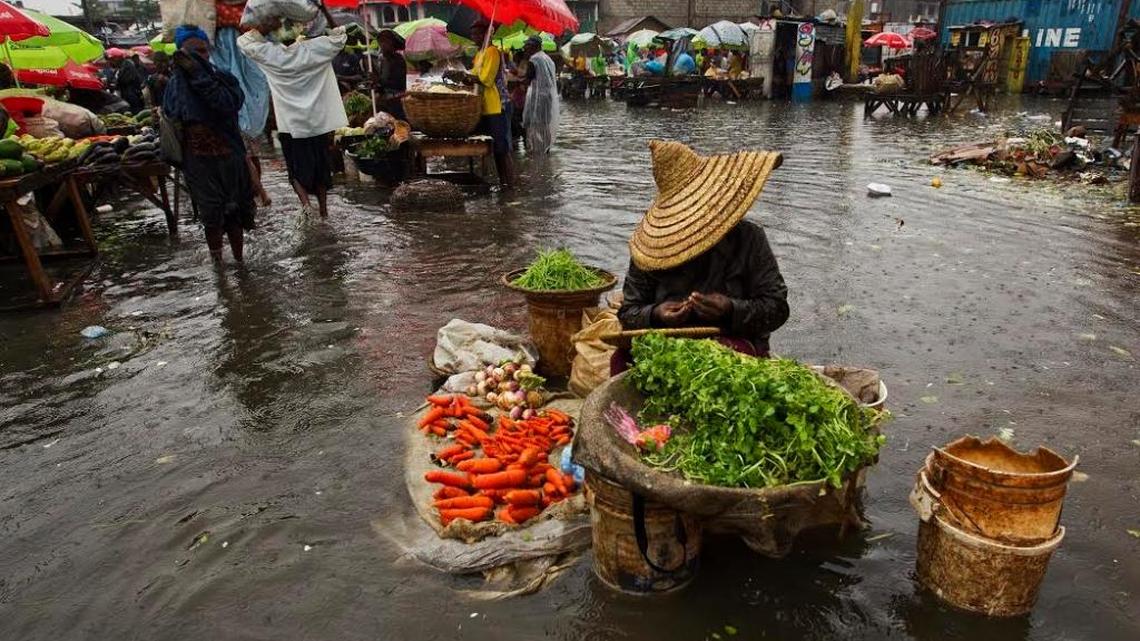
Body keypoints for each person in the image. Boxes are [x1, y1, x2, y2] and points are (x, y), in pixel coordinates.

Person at [614, 140, 789, 374]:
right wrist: (657, 315)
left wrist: (730, 309)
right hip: (665, 343)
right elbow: (628, 313)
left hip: (729, 340)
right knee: (620, 361)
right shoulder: (651, 248)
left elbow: (776, 308)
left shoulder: (749, 239)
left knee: (724, 367)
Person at [239, 17, 348, 218]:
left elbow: (244, 42)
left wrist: (264, 26)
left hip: (291, 125)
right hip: (317, 122)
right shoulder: (315, 49)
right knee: (320, 167)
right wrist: (323, 10)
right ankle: (323, 211)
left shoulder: (272, 55)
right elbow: (340, 36)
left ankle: (306, 205)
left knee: (295, 169)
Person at [163, 25, 254, 263]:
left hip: (228, 156)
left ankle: (239, 261)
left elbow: (227, 104)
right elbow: (171, 114)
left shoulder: (222, 79)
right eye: (191, 53)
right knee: (211, 214)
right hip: (198, 162)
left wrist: (199, 76)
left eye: (202, 52)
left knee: (234, 212)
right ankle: (218, 266)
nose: (198, 57)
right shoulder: (175, 85)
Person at [446, 19, 513, 188]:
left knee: (501, 149)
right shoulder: (479, 55)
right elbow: (473, 79)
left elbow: (486, 80)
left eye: (478, 33)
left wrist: (463, 75)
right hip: (484, 106)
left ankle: (509, 185)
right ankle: (501, 183)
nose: (474, 36)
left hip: (497, 105)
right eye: (473, 34)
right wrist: (460, 77)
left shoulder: (492, 52)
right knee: (492, 148)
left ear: (487, 34)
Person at [521, 35, 558, 155]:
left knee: (534, 122)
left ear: (534, 46)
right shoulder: (547, 58)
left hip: (537, 97)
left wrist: (517, 81)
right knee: (545, 122)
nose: (525, 48)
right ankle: (546, 149)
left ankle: (535, 150)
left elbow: (528, 80)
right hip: (548, 96)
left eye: (527, 45)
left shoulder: (534, 59)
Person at [374, 29, 406, 118]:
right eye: (381, 42)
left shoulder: (398, 60)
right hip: (384, 98)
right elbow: (381, 83)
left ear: (393, 45)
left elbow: (397, 84)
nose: (383, 45)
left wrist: (378, 80)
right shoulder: (381, 60)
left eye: (386, 42)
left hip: (395, 98)